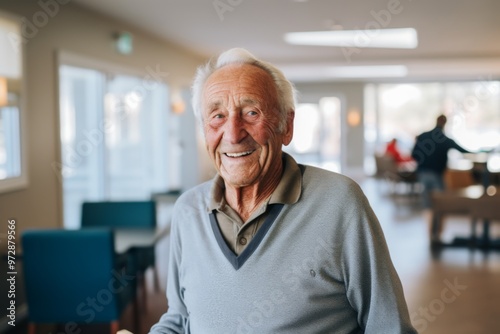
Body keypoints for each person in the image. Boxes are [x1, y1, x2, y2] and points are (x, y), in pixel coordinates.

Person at [149, 48, 416, 334]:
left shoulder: (341, 203)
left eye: (251, 113)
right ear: (204, 130)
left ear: (286, 126)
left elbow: (389, 327)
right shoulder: (187, 210)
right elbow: (179, 319)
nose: (233, 133)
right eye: (217, 116)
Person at [411, 114, 471, 208]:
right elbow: (463, 150)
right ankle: (437, 221)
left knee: (426, 205)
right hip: (437, 174)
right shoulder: (446, 140)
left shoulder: (423, 136)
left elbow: (414, 155)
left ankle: (430, 221)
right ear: (445, 123)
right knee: (440, 205)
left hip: (422, 173)